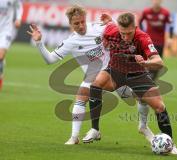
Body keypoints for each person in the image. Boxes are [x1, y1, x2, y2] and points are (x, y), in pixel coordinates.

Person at [27, 5, 153, 145]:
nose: (81, 26)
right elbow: (50, 59)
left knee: (140, 97)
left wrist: (112, 22)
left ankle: (143, 126)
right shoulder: (71, 42)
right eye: (76, 23)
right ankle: (74, 137)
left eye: (82, 21)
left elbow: (121, 32)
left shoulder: (99, 28)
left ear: (85, 18)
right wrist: (38, 42)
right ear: (70, 24)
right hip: (93, 77)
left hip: (114, 72)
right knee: (81, 96)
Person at [84, 12, 177, 155]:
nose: (125, 37)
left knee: (160, 106)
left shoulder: (142, 37)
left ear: (135, 27)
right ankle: (95, 130)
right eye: (122, 33)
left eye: (129, 33)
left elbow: (159, 62)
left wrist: (145, 62)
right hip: (115, 70)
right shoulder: (111, 30)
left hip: (137, 74)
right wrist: (103, 42)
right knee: (95, 85)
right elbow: (107, 33)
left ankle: (170, 143)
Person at [139, 0, 174, 79]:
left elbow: (171, 25)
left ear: (161, 1)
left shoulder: (165, 13)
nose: (156, 2)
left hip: (160, 42)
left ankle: (152, 79)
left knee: (158, 63)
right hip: (149, 41)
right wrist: (142, 33)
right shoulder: (146, 11)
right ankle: (146, 78)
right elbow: (140, 21)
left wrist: (170, 38)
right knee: (148, 59)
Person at [0, 0, 23, 90]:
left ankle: (0, 77)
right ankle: (1, 65)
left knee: (0, 55)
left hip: (6, 30)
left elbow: (19, 6)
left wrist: (18, 18)